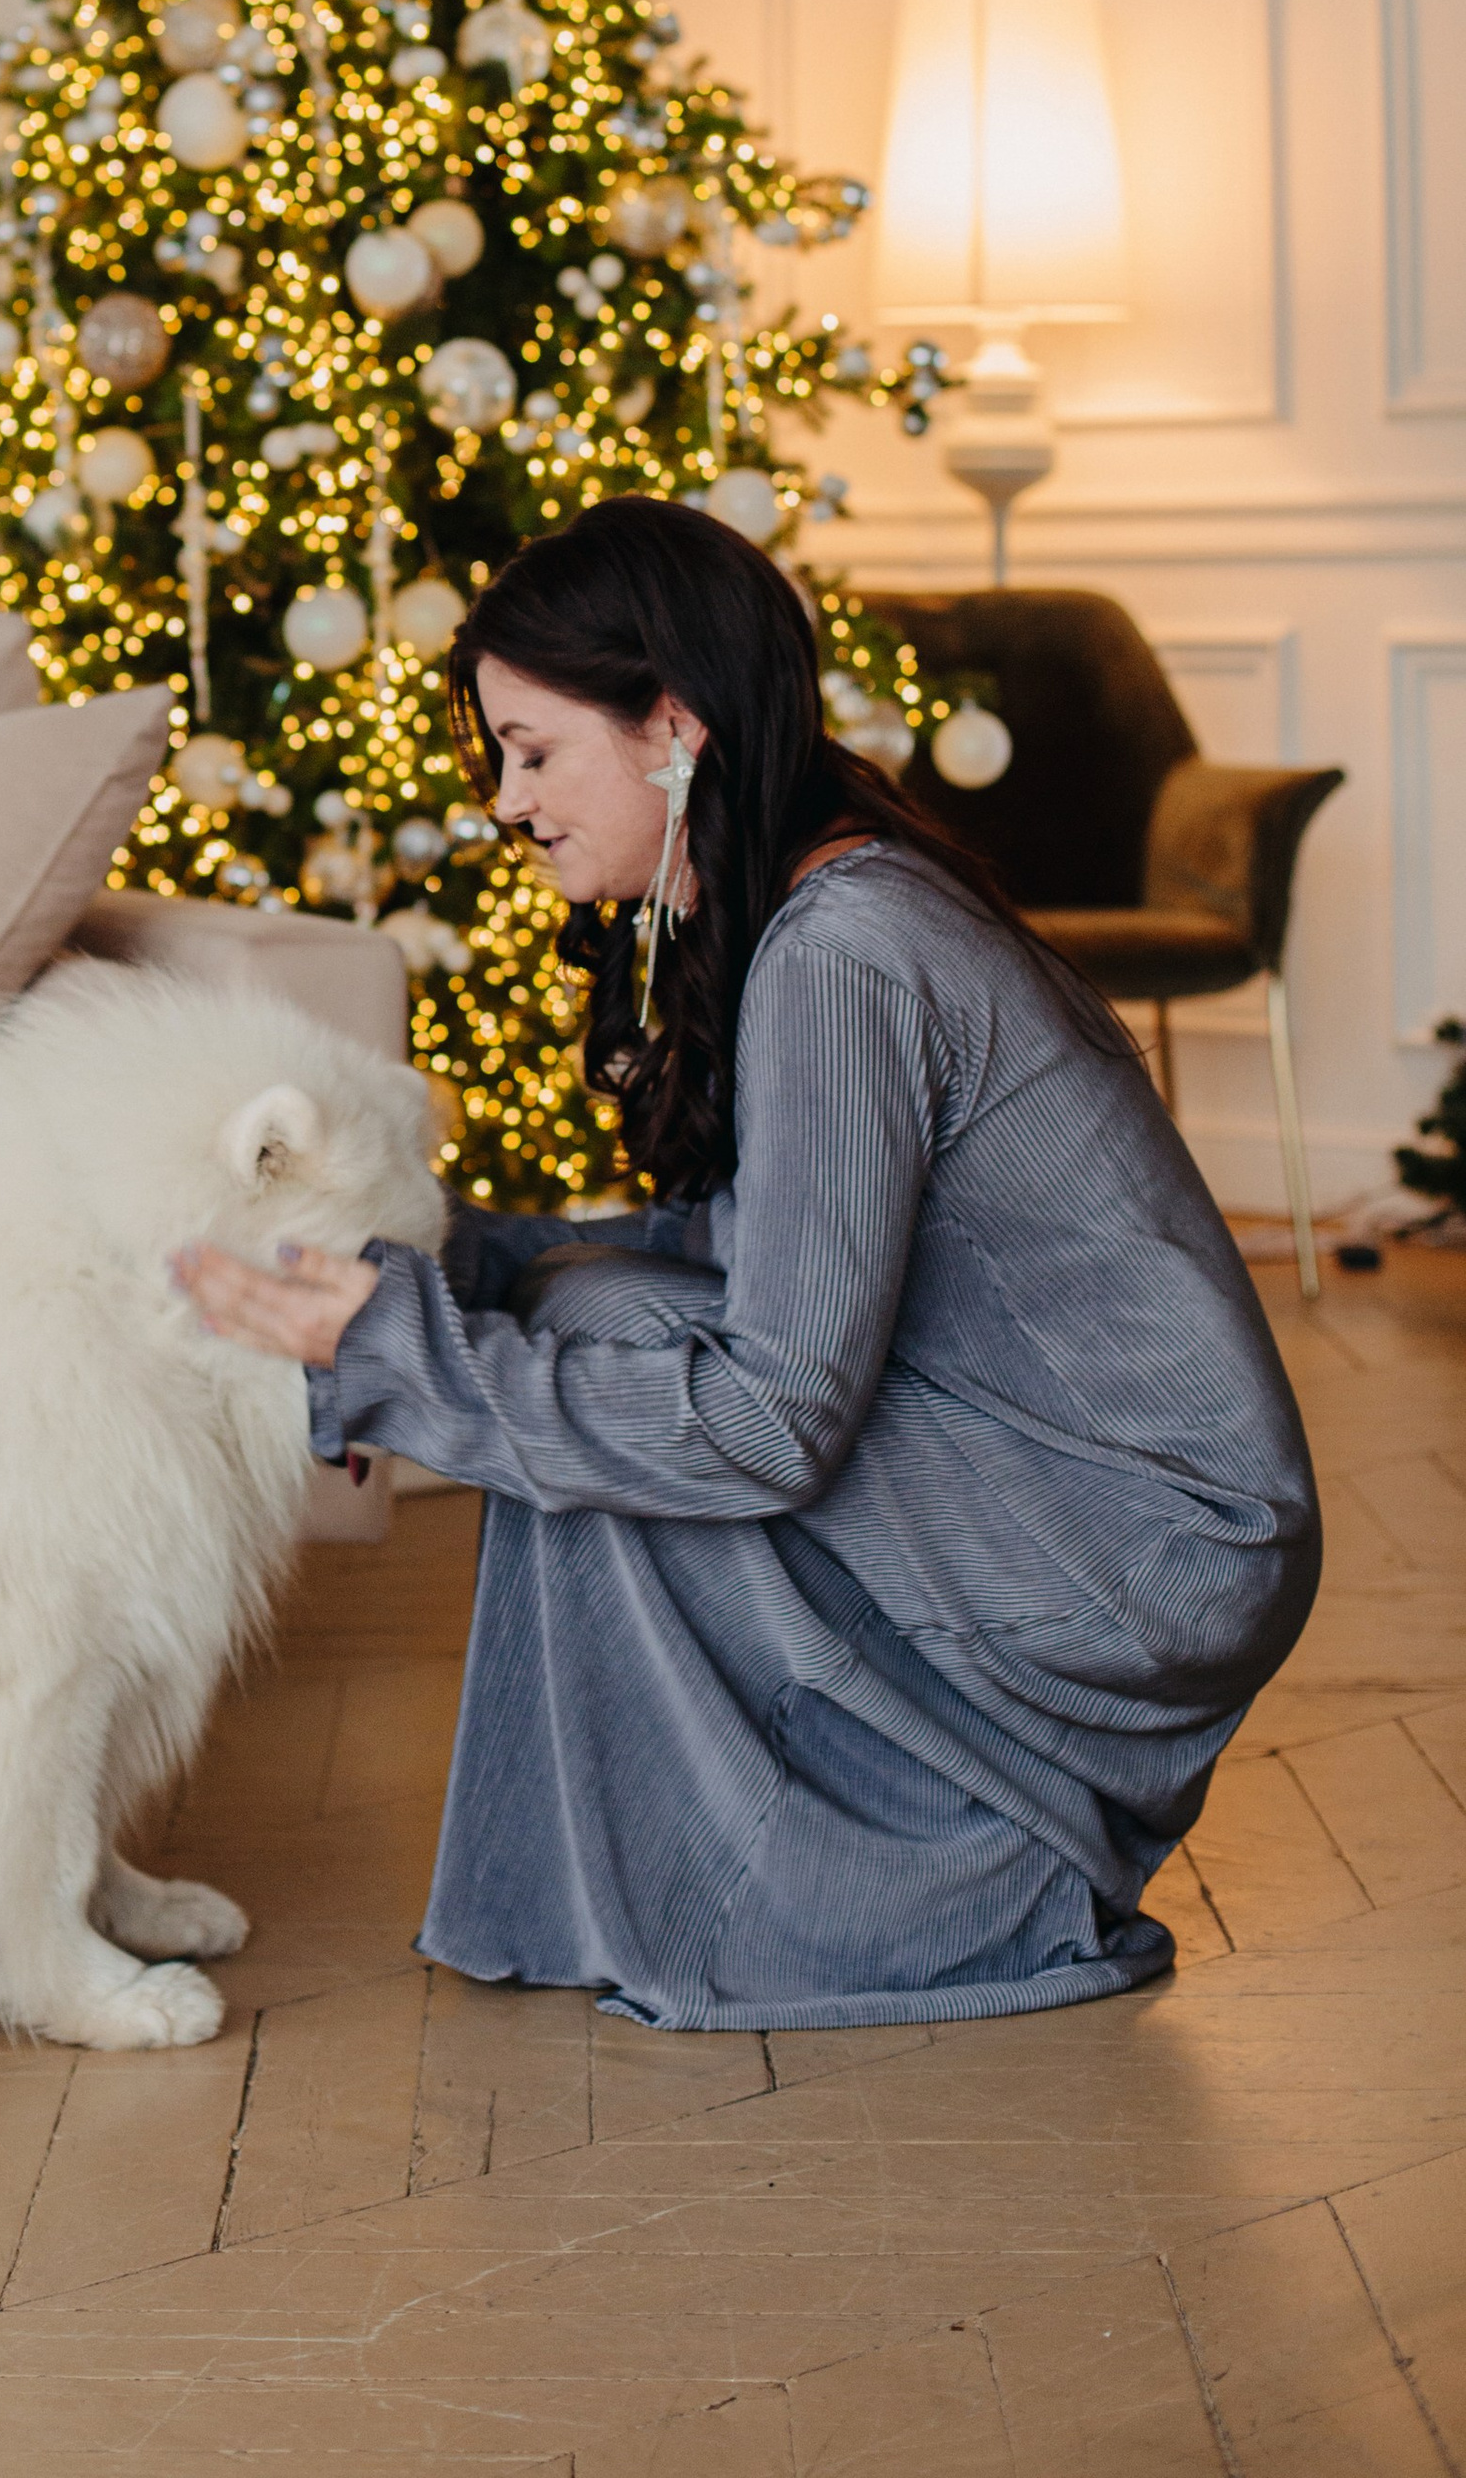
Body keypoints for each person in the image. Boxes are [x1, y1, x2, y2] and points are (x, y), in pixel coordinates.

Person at [172, 499, 1320, 2032]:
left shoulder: (843, 953)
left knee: (612, 1344)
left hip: (1146, 1551)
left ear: (672, 729)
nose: (508, 804)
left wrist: (408, 1360)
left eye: (533, 752)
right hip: (1113, 1509)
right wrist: (439, 1279)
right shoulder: (823, 903)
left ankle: (859, 1879)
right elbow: (728, 1259)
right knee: (589, 1306)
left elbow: (774, 1421)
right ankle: (764, 1855)